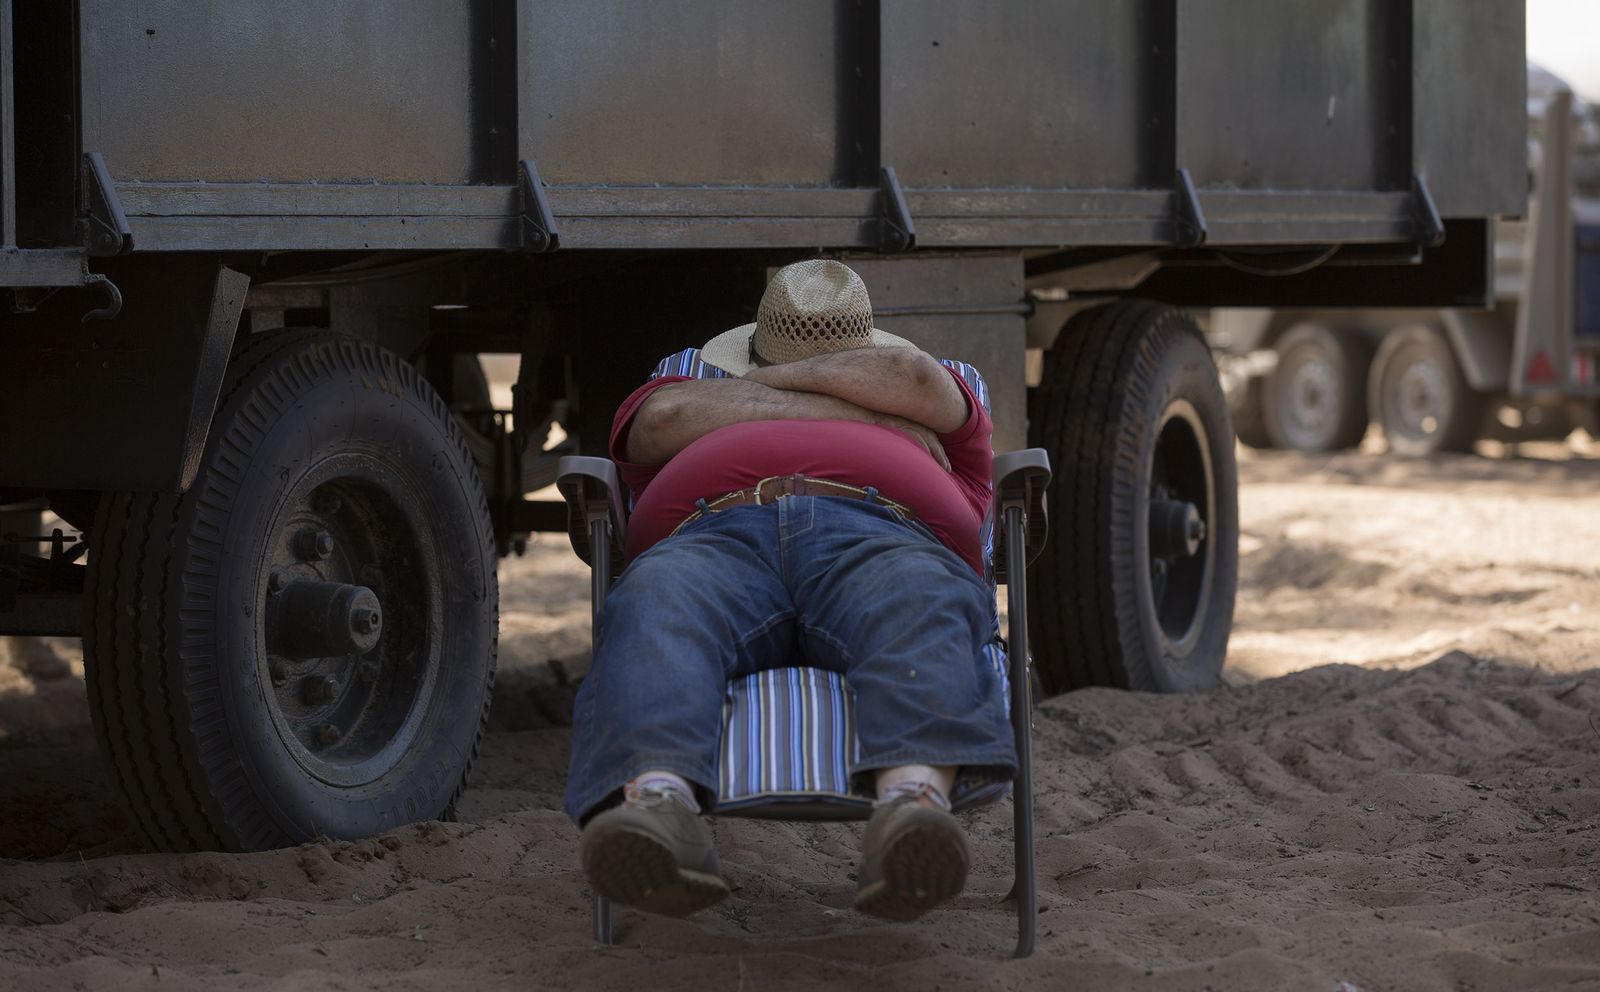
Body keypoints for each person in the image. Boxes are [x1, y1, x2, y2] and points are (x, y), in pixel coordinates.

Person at [566, 259, 1015, 923]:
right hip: (715, 536)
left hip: (883, 534)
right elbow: (663, 418)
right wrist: (854, 414)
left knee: (919, 599)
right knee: (655, 600)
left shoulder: (933, 385)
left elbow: (910, 376)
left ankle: (911, 811)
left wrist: (756, 385)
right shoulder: (684, 383)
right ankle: (661, 812)